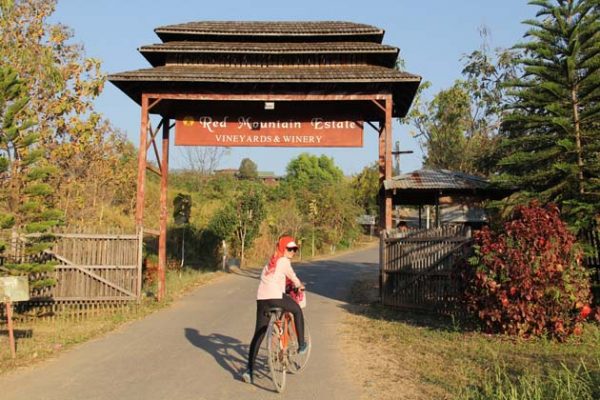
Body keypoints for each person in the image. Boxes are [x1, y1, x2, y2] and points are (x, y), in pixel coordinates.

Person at [242, 236, 307, 384]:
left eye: (295, 249)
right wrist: (299, 285)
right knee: (297, 310)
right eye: (290, 249)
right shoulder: (284, 261)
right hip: (275, 297)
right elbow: (293, 277)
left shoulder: (270, 263)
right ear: (283, 248)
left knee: (259, 334)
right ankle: (302, 344)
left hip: (262, 300)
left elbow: (275, 280)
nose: (292, 251)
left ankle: (249, 371)